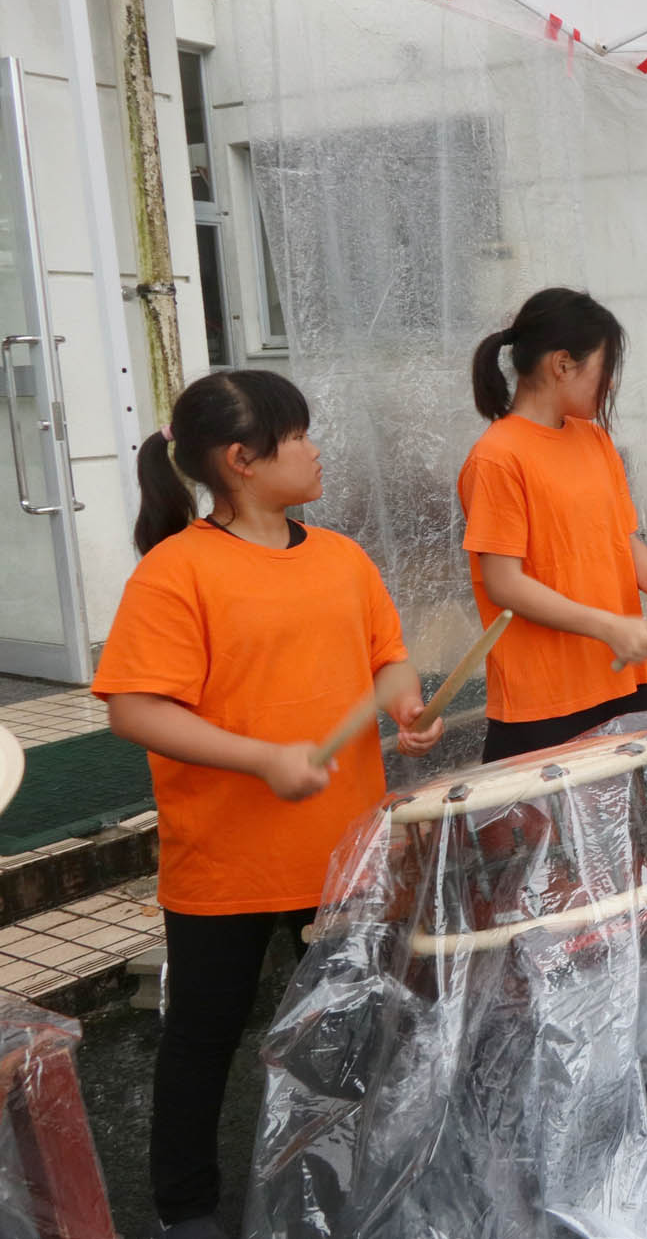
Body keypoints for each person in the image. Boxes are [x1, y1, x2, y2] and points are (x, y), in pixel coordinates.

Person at [92, 370, 443, 1239]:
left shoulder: (342, 557)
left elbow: (389, 659)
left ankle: (358, 1176)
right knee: (203, 1040)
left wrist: (403, 706)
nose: (315, 449)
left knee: (361, 1022)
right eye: (297, 437)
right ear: (243, 461)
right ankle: (185, 1207)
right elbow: (134, 708)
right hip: (228, 857)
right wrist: (261, 759)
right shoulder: (177, 572)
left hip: (344, 846)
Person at [460, 288, 647, 760]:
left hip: (623, 680)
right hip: (544, 701)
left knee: (637, 828)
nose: (609, 385)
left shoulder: (595, 440)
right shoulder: (497, 457)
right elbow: (505, 584)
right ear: (563, 365)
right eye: (604, 369)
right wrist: (609, 626)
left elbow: (623, 541)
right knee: (554, 837)